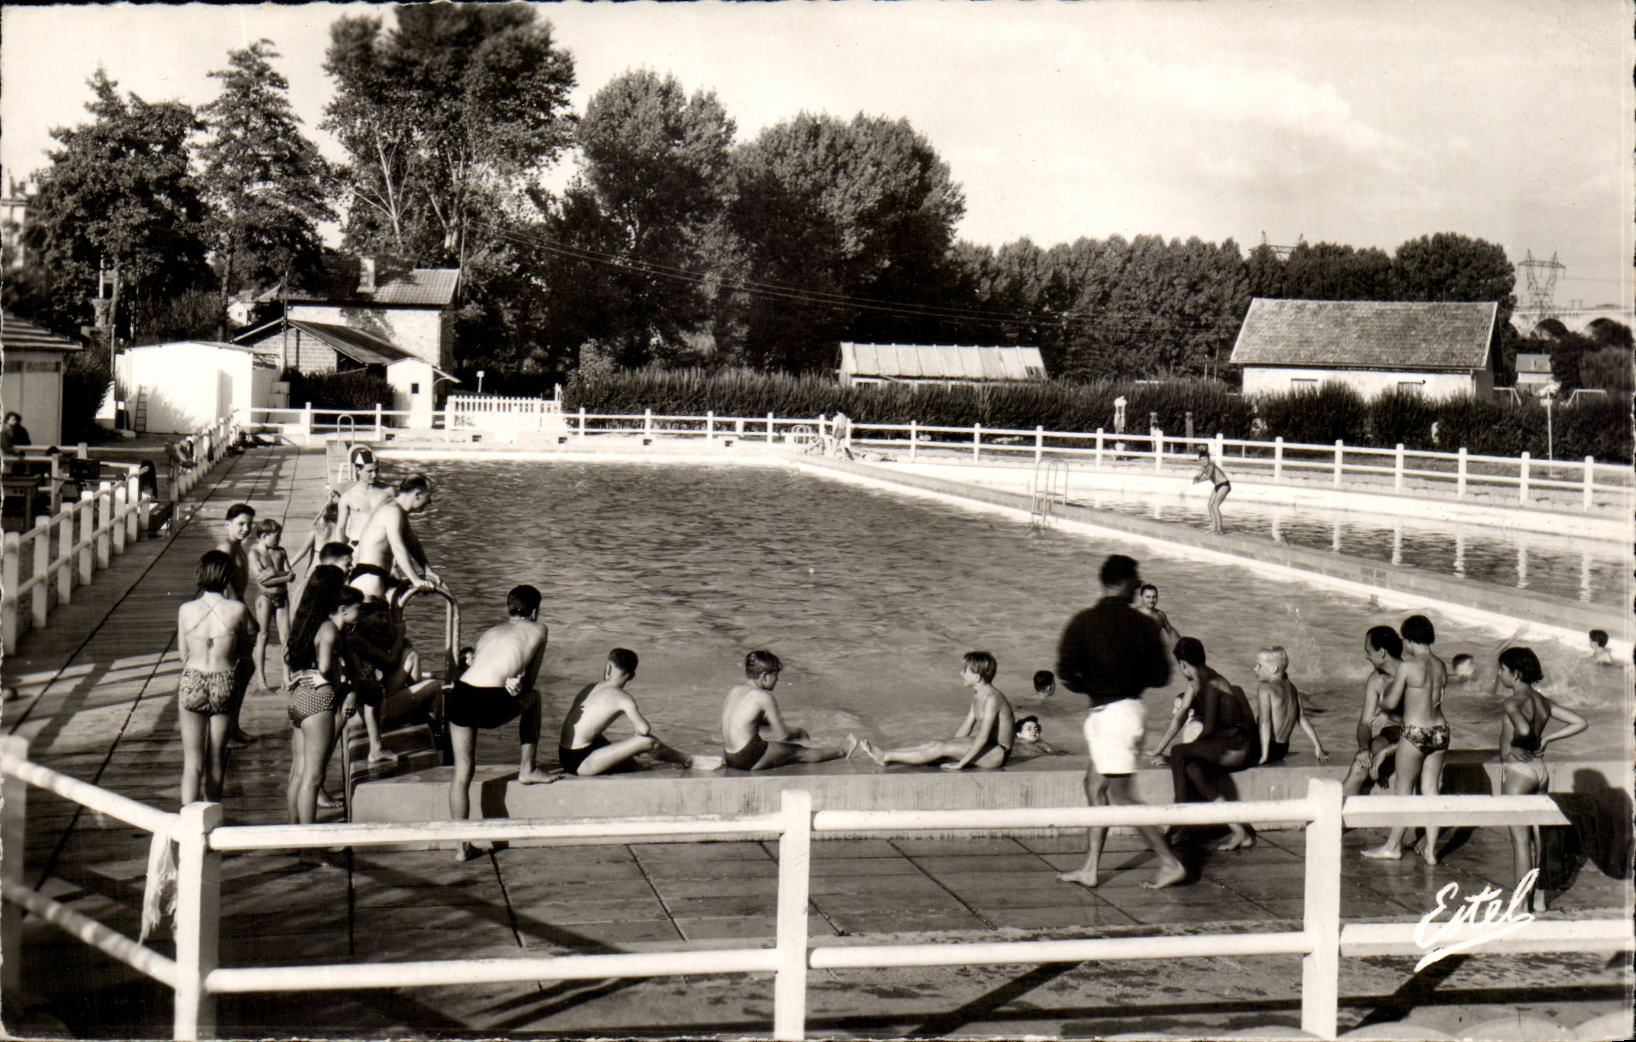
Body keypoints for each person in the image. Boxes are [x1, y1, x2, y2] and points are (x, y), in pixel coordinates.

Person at [1054, 554, 1187, 890]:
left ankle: (1170, 863)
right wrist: (1126, 680)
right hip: (1126, 713)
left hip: (1108, 714)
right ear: (1126, 583)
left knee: (1123, 796)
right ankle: (1089, 869)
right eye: (1136, 581)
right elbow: (1161, 676)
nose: (1139, 587)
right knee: (1095, 786)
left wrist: (1097, 685)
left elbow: (1066, 673)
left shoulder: (1083, 621)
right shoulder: (1144, 625)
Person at [448, 585, 559, 860]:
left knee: (462, 774)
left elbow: (482, 666)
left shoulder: (490, 632)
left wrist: (510, 680)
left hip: (460, 693)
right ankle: (527, 769)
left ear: (509, 609)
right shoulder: (539, 629)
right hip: (490, 699)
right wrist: (516, 686)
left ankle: (461, 848)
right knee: (535, 698)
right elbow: (529, 684)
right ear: (535, 611)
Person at [1495, 646, 1587, 912]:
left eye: (1502, 670)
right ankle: (1539, 900)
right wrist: (1546, 738)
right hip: (1539, 770)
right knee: (1538, 838)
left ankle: (1521, 906)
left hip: (1518, 772)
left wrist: (1514, 745)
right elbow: (1580, 722)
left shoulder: (1513, 701)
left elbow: (1522, 728)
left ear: (1516, 673)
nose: (1499, 675)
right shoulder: (1542, 701)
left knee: (1521, 842)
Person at [1363, 615, 1451, 864]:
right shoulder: (1440, 665)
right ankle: (1432, 850)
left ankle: (1393, 846)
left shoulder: (1409, 666)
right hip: (1440, 731)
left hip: (1415, 731)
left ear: (1410, 640)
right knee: (1432, 791)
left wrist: (1383, 698)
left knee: (1403, 790)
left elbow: (1391, 702)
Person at [558, 648, 722, 776]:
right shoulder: (623, 698)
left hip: (565, 754)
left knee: (615, 747)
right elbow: (644, 730)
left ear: (608, 667)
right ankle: (689, 760)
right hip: (580, 763)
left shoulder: (590, 688)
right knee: (647, 742)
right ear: (631, 676)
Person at [175, 551, 255, 806]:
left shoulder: (186, 609)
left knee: (192, 763)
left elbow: (183, 654)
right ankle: (212, 820)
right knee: (216, 760)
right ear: (228, 577)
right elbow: (244, 652)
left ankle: (188, 822)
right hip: (223, 680)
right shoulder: (238, 610)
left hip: (193, 678)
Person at [284, 582, 364, 834]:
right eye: (357, 608)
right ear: (343, 609)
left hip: (300, 700)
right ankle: (309, 846)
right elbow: (326, 666)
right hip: (318, 703)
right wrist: (330, 677)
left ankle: (293, 833)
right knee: (313, 778)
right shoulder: (331, 631)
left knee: (298, 773)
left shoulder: (317, 627)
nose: (360, 613)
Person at [1167, 637, 1260, 852]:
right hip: (1232, 744)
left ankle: (1179, 821)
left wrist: (1188, 751)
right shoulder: (1204, 679)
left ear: (1183, 665)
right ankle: (1239, 831)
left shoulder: (1209, 684)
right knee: (1192, 768)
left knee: (1179, 754)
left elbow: (1207, 730)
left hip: (1236, 747)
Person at [860, 652, 1016, 770]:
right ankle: (887, 753)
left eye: (965, 670)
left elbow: (982, 738)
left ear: (978, 676)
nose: (961, 673)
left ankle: (886, 756)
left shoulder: (992, 698)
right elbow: (966, 727)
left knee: (940, 748)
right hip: (988, 748)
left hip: (997, 754)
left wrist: (960, 764)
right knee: (937, 744)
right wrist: (949, 747)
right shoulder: (978, 696)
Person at [720, 650, 857, 770]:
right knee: (799, 752)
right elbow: (783, 735)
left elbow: (743, 722)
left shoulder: (735, 691)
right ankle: (842, 751)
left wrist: (769, 728)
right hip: (746, 758)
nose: (777, 679)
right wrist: (798, 732)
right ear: (765, 676)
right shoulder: (764, 696)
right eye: (775, 676)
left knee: (771, 746)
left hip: (730, 756)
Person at [345, 594, 439, 765]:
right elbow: (390, 660)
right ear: (363, 617)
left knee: (410, 656)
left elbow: (400, 650)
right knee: (434, 687)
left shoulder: (363, 635)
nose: (384, 621)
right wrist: (400, 633)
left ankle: (415, 705)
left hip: (370, 706)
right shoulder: (358, 639)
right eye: (379, 617)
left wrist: (397, 634)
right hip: (376, 712)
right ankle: (437, 736)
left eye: (386, 617)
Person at [351, 474, 442, 603]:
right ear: (418, 494)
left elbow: (413, 544)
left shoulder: (398, 510)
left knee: (394, 620)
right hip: (368, 577)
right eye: (428, 497)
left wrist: (427, 570)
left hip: (376, 576)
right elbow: (398, 547)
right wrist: (415, 580)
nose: (429, 502)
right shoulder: (392, 511)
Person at [215, 504, 259, 747]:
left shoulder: (239, 548)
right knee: (236, 671)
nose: (246, 529)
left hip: (236, 611)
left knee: (244, 668)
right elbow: (226, 586)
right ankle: (227, 731)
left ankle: (233, 726)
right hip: (228, 615)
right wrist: (247, 619)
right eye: (241, 524)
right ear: (227, 524)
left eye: (249, 524)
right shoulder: (225, 548)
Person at [1341, 626, 1404, 798]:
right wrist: (1363, 748)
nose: (1366, 656)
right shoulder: (1376, 680)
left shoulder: (1412, 677)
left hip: (1414, 738)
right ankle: (1336, 817)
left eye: (1368, 651)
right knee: (1360, 764)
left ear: (1382, 652)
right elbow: (1364, 723)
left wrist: (1386, 751)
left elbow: (1420, 730)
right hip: (1391, 735)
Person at [1253, 646, 1326, 765]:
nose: (1255, 669)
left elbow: (1265, 722)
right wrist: (1318, 746)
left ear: (1273, 669)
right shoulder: (1292, 688)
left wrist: (1264, 754)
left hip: (1266, 748)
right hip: (1282, 749)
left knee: (1238, 695)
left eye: (1259, 665)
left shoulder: (1265, 689)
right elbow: (1301, 718)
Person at [248, 519, 295, 693]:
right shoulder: (254, 553)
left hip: (282, 596)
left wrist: (275, 573)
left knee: (286, 637)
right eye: (276, 537)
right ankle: (261, 679)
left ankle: (286, 677)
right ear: (263, 536)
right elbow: (261, 579)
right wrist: (284, 576)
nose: (279, 540)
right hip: (264, 597)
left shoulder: (280, 551)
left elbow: (291, 574)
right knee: (263, 636)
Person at [336, 446, 392, 546]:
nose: (374, 475)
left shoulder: (388, 492)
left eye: (376, 470)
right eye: (369, 471)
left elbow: (398, 523)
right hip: (357, 545)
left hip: (382, 547)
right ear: (358, 470)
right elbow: (340, 528)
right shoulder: (348, 497)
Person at [1191, 447, 1231, 534]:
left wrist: (1199, 481)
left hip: (1224, 484)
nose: (1204, 461)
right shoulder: (1203, 467)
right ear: (1199, 460)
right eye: (1202, 459)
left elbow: (1208, 476)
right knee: (1210, 505)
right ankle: (1213, 528)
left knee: (1215, 506)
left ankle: (1219, 530)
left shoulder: (1211, 466)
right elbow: (1198, 475)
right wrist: (1195, 478)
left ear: (1208, 459)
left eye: (1205, 459)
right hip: (1217, 486)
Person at [1134, 584, 1181, 648]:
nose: (1151, 600)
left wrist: (1180, 643)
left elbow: (1170, 631)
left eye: (1154, 597)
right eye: (1148, 597)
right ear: (1141, 597)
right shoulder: (1134, 614)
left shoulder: (1160, 615)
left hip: (1154, 651)